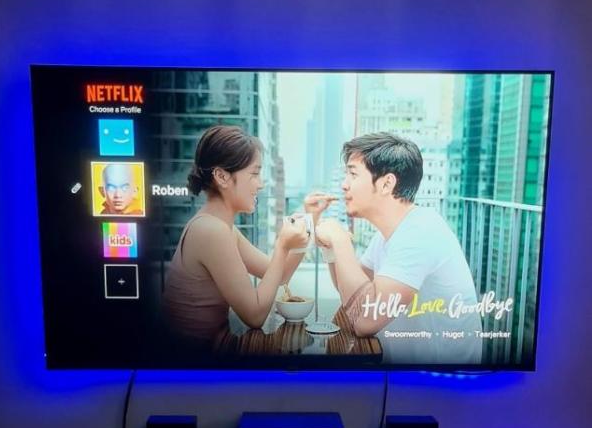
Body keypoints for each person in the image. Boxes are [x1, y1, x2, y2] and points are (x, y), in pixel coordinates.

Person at [314, 133, 482, 367]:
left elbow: (364, 320)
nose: (344, 184)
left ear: (386, 184)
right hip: (404, 373)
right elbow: (352, 294)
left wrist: (341, 241)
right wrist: (331, 249)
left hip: (440, 380)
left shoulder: (419, 232)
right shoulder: (389, 233)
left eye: (353, 174)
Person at [162, 125, 334, 350]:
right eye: (254, 174)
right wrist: (282, 246)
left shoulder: (220, 227)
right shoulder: (211, 231)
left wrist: (310, 219)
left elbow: (280, 275)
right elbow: (255, 316)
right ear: (222, 176)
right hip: (196, 363)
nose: (260, 184)